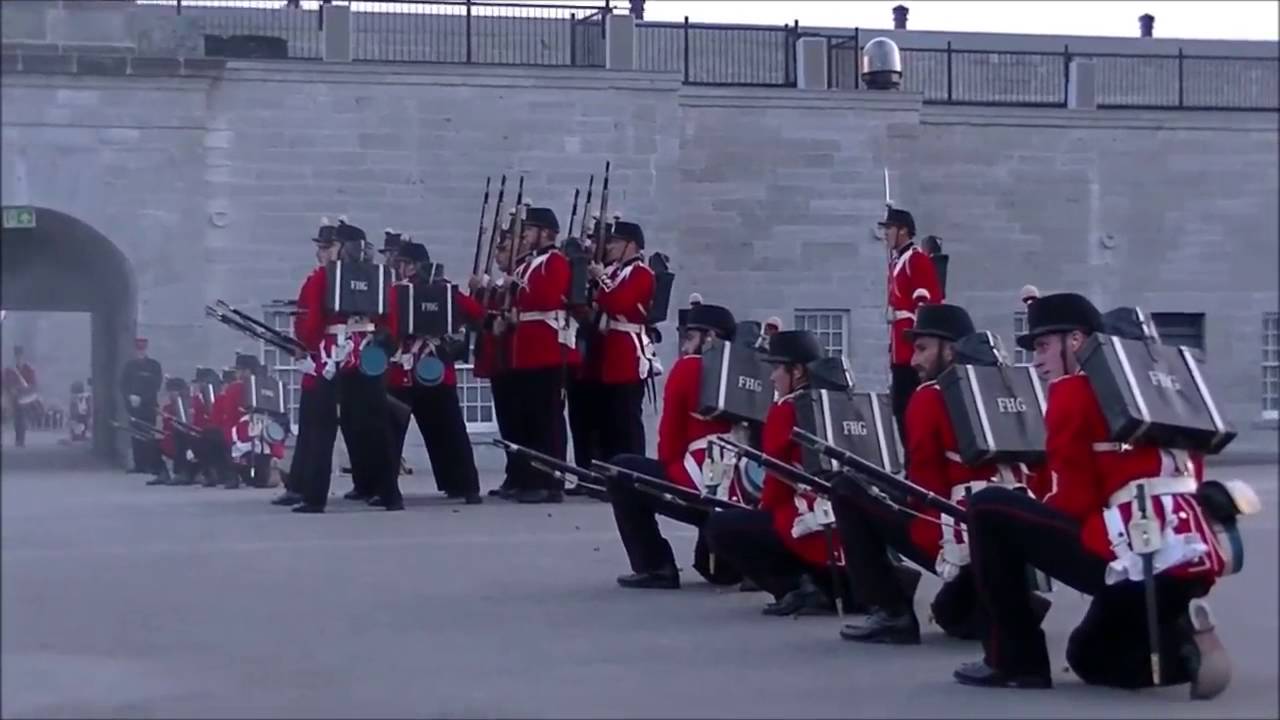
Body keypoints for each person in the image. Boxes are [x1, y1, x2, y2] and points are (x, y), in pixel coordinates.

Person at [952, 292, 1231, 698]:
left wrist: (1031, 519)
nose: (1037, 359)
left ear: (1078, 342)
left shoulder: (1074, 392)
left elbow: (1073, 502)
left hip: (1132, 555)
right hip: (1193, 558)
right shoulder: (1170, 394)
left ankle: (1014, 659)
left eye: (1045, 345)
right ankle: (1183, 648)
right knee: (1089, 655)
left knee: (988, 508)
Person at [832, 304, 1045, 645]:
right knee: (952, 613)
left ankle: (893, 611)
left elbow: (923, 486)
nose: (913, 360)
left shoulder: (929, 397)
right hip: (1022, 531)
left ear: (950, 349)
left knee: (847, 489)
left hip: (958, 531)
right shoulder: (1010, 390)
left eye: (922, 348)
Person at [704, 330, 848, 616]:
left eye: (776, 369)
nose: (772, 377)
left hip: (811, 530)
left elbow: (775, 486)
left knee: (721, 527)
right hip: (849, 532)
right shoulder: (840, 404)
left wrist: (761, 515)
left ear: (797, 372)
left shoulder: (786, 409)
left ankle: (796, 587)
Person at [606, 302, 743, 589]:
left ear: (710, 338)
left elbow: (670, 439)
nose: (684, 345)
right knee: (715, 570)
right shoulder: (747, 373)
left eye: (691, 336)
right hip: (742, 490)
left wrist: (672, 469)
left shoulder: (688, 368)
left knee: (621, 472)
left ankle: (655, 565)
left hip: (698, 478)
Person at [292, 217, 401, 513]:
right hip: (366, 357)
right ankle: (391, 494)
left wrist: (305, 342)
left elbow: (310, 325)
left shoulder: (321, 278)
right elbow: (391, 322)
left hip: (331, 356)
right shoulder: (380, 276)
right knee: (376, 428)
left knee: (321, 428)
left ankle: (315, 497)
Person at [385, 241, 484, 505]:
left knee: (391, 435)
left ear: (413, 266)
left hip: (402, 373)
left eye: (402, 263)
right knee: (450, 432)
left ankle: (386, 490)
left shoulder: (398, 292)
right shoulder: (447, 290)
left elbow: (390, 325)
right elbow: (476, 314)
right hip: (438, 372)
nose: (399, 268)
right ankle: (465, 486)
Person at [502, 207, 579, 504]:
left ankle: (551, 480)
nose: (525, 236)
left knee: (547, 419)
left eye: (530, 230)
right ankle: (529, 477)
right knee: (528, 418)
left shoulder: (555, 261)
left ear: (546, 233)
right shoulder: (529, 264)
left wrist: (516, 287)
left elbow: (547, 297)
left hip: (548, 348)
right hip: (527, 349)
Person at [587, 218, 657, 461]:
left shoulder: (641, 273)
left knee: (627, 419)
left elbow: (620, 303)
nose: (611, 247)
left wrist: (601, 281)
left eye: (617, 242)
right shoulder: (617, 271)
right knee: (611, 419)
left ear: (632, 245)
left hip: (628, 347)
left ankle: (633, 467)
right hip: (611, 347)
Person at [880, 208, 943, 450]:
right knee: (900, 409)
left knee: (908, 409)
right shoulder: (898, 261)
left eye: (889, 228)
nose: (885, 234)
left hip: (910, 352)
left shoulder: (916, 260)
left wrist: (920, 347)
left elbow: (925, 304)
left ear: (903, 230)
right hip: (899, 350)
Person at [121, 338, 163, 473]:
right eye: (138, 348)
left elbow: (156, 385)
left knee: (148, 434)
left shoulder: (154, 366)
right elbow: (123, 384)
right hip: (134, 406)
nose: (140, 351)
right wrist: (129, 397)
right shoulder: (129, 366)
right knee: (136, 435)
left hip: (149, 405)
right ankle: (139, 464)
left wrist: (143, 399)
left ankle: (150, 463)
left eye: (142, 348)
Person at [3, 346, 38, 448]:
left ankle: (21, 440)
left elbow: (33, 383)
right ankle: (18, 439)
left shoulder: (28, 369)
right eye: (17, 356)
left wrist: (21, 389)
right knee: (16, 419)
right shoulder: (9, 370)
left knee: (21, 418)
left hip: (24, 397)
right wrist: (10, 389)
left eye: (20, 356)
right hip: (14, 397)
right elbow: (5, 382)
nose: (18, 358)